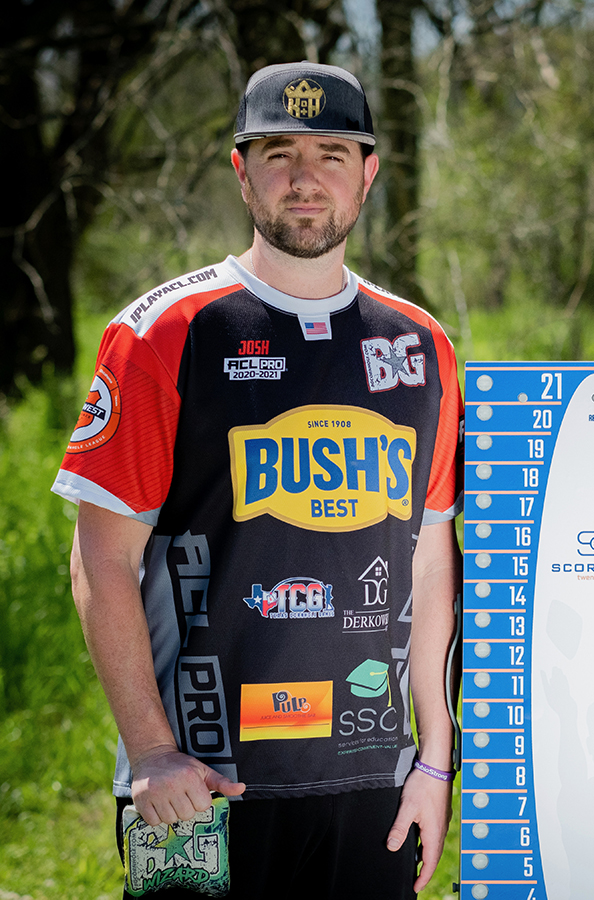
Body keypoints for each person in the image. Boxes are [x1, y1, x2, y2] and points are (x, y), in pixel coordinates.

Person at [53, 62, 463, 899]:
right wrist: (152, 750)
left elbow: (429, 563)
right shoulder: (163, 333)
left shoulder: (421, 346)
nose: (305, 178)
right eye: (279, 153)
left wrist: (433, 762)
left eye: (332, 154)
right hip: (200, 790)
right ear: (242, 172)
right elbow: (99, 560)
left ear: (368, 174)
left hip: (371, 786)